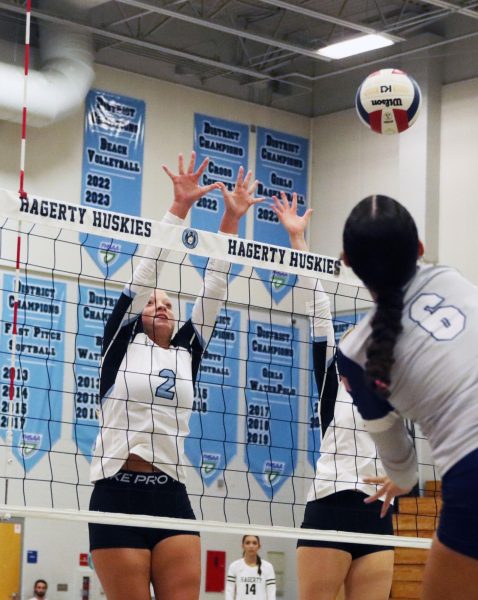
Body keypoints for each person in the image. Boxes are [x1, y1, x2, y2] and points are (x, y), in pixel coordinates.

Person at [88, 151, 263, 600]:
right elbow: (145, 273)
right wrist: (179, 209)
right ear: (139, 312)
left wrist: (230, 222)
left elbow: (216, 288)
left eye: (168, 302)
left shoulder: (189, 351)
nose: (161, 305)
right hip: (116, 492)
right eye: (152, 303)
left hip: (171, 492)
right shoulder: (119, 345)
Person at [336, 194, 478, 600]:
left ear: (346, 261)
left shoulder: (356, 354)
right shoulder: (450, 277)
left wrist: (400, 481)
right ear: (419, 250)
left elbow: (403, 470)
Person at [272, 192, 394, 600]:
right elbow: (317, 305)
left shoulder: (395, 389)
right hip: (331, 504)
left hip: (378, 513)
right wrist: (299, 242)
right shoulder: (330, 378)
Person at [226, 535, 276, 600]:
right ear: (242, 546)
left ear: (259, 546)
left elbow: (271, 593)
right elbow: (229, 592)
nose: (251, 546)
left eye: (254, 543)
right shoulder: (234, 566)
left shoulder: (268, 567)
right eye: (247, 543)